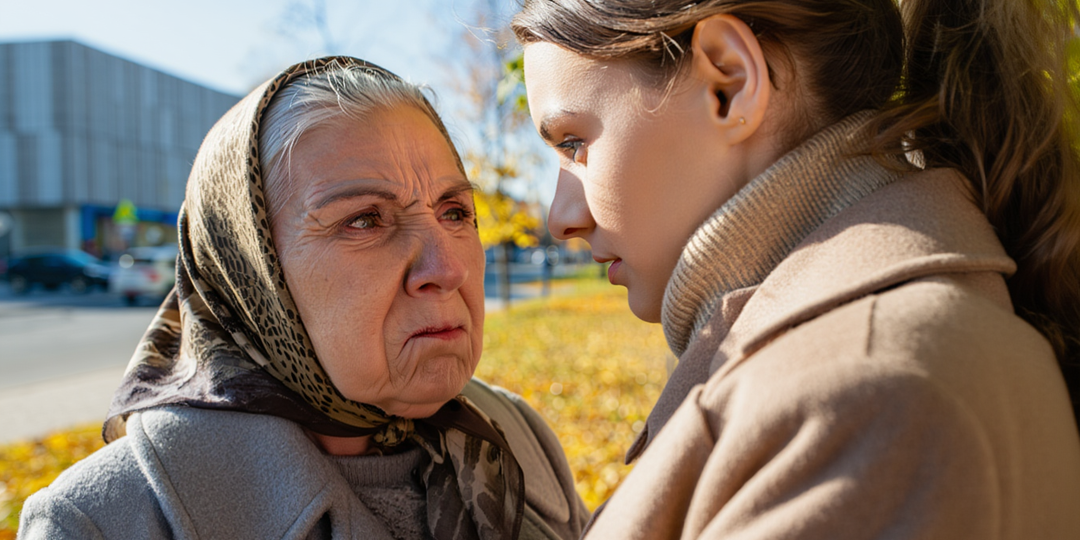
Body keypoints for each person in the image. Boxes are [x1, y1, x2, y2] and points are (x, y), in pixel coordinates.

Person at [513, 0, 1080, 537]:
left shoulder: (859, 401)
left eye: (573, 143)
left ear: (728, 84)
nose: (560, 218)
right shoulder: (865, 365)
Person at [17, 57, 589, 540]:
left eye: (455, 213)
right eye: (365, 219)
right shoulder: (102, 521)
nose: (445, 268)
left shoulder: (515, 438)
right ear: (250, 274)